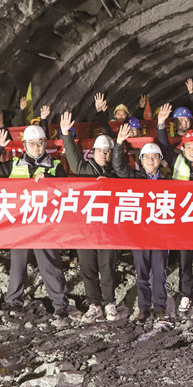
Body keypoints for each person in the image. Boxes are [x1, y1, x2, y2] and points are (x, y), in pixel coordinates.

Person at [0, 125, 73, 318]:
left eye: (40, 143)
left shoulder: (55, 166)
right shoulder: (15, 165)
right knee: (18, 265)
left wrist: (49, 178)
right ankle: (13, 302)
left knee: (50, 265)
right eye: (32, 143)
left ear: (45, 144)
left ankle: (60, 304)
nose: (36, 147)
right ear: (24, 145)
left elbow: (65, 190)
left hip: (44, 225)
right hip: (21, 225)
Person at [59, 111, 122, 323]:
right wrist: (66, 134)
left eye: (107, 152)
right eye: (101, 151)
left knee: (107, 268)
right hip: (86, 228)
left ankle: (109, 302)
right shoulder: (84, 169)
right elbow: (73, 159)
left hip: (108, 229)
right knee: (87, 268)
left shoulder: (117, 174)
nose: (104, 155)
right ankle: (94, 304)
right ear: (93, 152)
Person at [157, 104, 193, 317]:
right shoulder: (177, 162)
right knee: (184, 259)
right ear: (183, 148)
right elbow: (164, 146)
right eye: (189, 147)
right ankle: (185, 293)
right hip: (183, 219)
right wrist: (161, 124)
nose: (192, 150)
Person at [112, 124, 171, 322]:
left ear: (160, 160)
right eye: (147, 157)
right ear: (141, 160)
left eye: (154, 157)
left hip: (160, 235)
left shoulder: (169, 182)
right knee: (142, 273)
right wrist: (119, 144)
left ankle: (160, 306)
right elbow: (119, 167)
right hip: (139, 234)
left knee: (160, 272)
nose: (151, 160)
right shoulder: (134, 177)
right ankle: (144, 307)